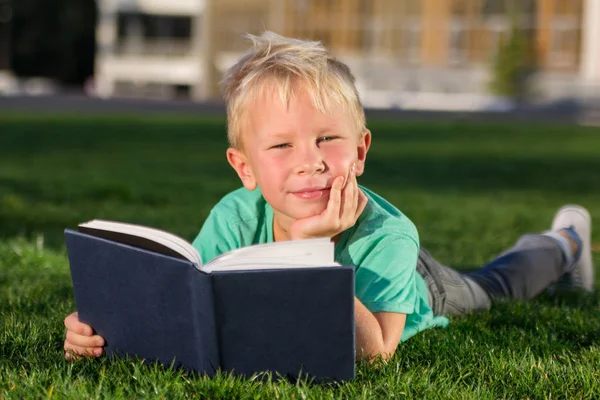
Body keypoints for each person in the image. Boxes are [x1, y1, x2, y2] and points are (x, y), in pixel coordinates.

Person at [63, 32, 595, 361]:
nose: (310, 160)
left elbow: (377, 353)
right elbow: (191, 299)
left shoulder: (390, 234)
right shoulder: (233, 213)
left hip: (420, 289)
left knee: (494, 285)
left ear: (360, 151)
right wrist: (100, 328)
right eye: (281, 145)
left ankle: (565, 241)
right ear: (244, 167)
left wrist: (312, 251)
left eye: (328, 139)